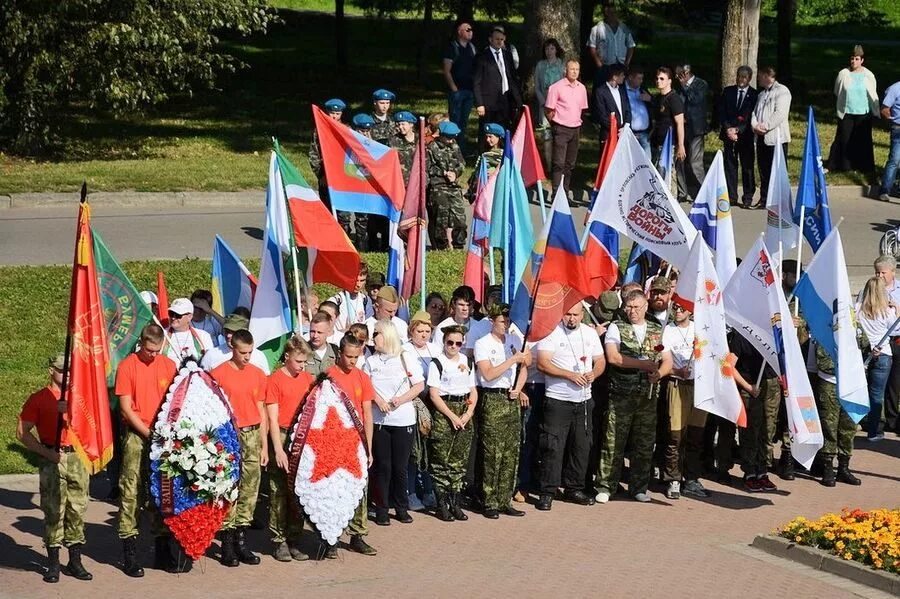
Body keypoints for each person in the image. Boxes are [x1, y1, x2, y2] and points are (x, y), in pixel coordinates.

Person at [17, 353, 93, 583]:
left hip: (77, 457)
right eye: (62, 370)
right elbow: (22, 433)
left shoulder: (80, 398)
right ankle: (53, 563)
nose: (67, 374)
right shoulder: (39, 398)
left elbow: (92, 427)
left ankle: (75, 561)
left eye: (69, 370)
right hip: (52, 457)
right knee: (53, 510)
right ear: (51, 371)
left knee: (77, 509)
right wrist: (46, 453)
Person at [114, 324, 180, 576]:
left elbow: (175, 401)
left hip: (163, 436)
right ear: (141, 343)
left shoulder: (168, 366)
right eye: (149, 350)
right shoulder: (127, 366)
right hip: (137, 434)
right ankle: (129, 552)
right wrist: (148, 433)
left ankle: (162, 549)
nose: (152, 355)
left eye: (157, 350)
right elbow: (126, 408)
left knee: (163, 490)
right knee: (131, 489)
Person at [597, 291, 669, 503]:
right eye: (629, 307)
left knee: (644, 443)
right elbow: (613, 357)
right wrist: (642, 365)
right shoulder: (617, 327)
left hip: (647, 397)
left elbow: (667, 359)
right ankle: (606, 486)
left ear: (645, 307)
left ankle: (639, 487)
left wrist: (659, 373)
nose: (632, 311)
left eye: (637, 307)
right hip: (621, 395)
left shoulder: (657, 329)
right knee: (613, 442)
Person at [535, 308, 606, 510]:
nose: (572, 319)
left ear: (582, 315)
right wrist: (569, 375)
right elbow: (543, 363)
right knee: (553, 447)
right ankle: (547, 491)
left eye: (575, 315)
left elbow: (600, 360)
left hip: (584, 401)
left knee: (581, 446)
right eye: (568, 314)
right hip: (558, 400)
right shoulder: (551, 332)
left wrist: (594, 373)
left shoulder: (590, 333)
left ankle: (574, 488)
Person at [211, 329, 269, 567]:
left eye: (250, 352)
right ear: (232, 348)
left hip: (253, 433)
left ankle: (241, 539)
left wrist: (264, 446)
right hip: (229, 435)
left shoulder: (257, 374)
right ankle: (226, 541)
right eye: (243, 352)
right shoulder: (218, 374)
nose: (247, 357)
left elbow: (261, 409)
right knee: (228, 487)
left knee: (250, 486)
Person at [363, 320, 425, 525]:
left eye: (377, 333)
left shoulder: (405, 357)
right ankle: (381, 508)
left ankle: (401, 507)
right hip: (380, 421)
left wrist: (401, 399)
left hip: (403, 420)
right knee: (383, 466)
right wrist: (378, 401)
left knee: (400, 467)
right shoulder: (371, 361)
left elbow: (418, 385)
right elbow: (365, 387)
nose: (374, 338)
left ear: (387, 335)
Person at [473, 304, 530, 518]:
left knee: (510, 451)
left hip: (510, 398)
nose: (505, 324)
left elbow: (526, 364)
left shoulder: (514, 340)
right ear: (492, 321)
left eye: (508, 320)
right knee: (492, 452)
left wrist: (518, 387)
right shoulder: (483, 343)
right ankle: (488, 500)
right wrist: (512, 360)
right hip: (492, 398)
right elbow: (488, 374)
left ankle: (504, 498)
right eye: (501, 321)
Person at [325, 334, 376, 557]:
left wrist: (369, 447)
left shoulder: (362, 377)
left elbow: (367, 413)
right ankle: (331, 537)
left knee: (359, 489)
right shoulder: (328, 376)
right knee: (334, 490)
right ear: (340, 353)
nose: (352, 361)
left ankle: (358, 535)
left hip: (356, 442)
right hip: (334, 441)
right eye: (348, 356)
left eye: (356, 357)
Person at [264, 336, 314, 562]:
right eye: (298, 361)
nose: (302, 366)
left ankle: (294, 538)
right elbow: (272, 419)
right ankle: (279, 540)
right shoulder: (275, 380)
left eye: (304, 362)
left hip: (301, 435)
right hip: (283, 434)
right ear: (287, 357)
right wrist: (278, 449)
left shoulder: (307, 379)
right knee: (279, 490)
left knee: (298, 490)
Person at [427, 325, 479, 521]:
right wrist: (452, 416)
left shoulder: (467, 361)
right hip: (445, 411)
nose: (454, 346)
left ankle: (455, 502)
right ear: (444, 342)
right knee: (441, 460)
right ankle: (441, 504)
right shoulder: (437, 363)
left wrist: (468, 413)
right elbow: (434, 394)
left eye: (458, 343)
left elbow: (473, 390)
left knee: (459, 461)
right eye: (450, 342)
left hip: (464, 408)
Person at [659, 303, 710, 499]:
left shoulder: (700, 328)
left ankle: (691, 478)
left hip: (699, 387)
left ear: (691, 309)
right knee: (675, 435)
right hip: (677, 385)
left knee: (696, 435)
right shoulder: (667, 331)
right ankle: (673, 478)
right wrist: (676, 371)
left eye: (682, 308)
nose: (678, 311)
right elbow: (663, 360)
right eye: (675, 307)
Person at [401, 311, 440, 511]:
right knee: (414, 452)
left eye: (427, 331)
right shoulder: (405, 350)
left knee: (430, 451)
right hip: (414, 403)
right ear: (411, 331)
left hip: (433, 403)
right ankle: (411, 492)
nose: (424, 334)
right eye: (420, 331)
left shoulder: (435, 349)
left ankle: (429, 490)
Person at [813, 341, 863, 487]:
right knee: (829, 426)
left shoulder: (854, 330)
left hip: (851, 386)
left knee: (848, 427)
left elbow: (865, 344)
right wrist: (847, 364)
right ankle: (827, 467)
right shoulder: (825, 333)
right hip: (830, 384)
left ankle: (843, 468)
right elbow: (823, 363)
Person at [856, 275, 898, 440]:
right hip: (883, 353)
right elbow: (896, 329)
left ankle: (858, 422)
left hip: (863, 352)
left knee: (860, 390)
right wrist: (897, 308)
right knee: (877, 394)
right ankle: (873, 431)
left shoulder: (858, 309)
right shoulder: (887, 312)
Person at [827, 45, 878, 175]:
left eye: (856, 59)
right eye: (852, 59)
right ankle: (843, 165)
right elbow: (837, 90)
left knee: (864, 140)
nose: (853, 61)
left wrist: (874, 111)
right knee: (844, 138)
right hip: (847, 112)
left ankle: (864, 166)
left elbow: (872, 93)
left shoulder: (868, 75)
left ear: (862, 60)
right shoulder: (843, 74)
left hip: (863, 113)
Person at [545, 59, 589, 199]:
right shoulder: (556, 87)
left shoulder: (581, 88)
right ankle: (556, 194)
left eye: (577, 69)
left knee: (570, 164)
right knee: (558, 163)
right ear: (566, 70)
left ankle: (565, 193)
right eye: (572, 69)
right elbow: (549, 109)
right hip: (561, 128)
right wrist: (555, 125)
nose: (574, 72)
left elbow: (582, 109)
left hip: (575, 128)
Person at [752, 66, 792, 209]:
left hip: (776, 138)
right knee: (764, 170)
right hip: (761, 138)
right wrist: (755, 125)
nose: (758, 79)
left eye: (760, 76)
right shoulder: (761, 95)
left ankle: (780, 201)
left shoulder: (782, 91)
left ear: (767, 76)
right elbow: (754, 113)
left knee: (778, 171)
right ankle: (764, 199)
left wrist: (766, 126)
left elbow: (780, 113)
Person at [719, 66, 758, 208]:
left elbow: (751, 115)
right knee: (730, 165)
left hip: (745, 135)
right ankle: (732, 196)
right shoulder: (728, 91)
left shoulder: (754, 95)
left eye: (744, 77)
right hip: (728, 134)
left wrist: (738, 130)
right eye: (739, 76)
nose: (741, 79)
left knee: (747, 166)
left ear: (749, 78)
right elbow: (722, 111)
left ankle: (748, 196)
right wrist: (728, 129)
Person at [870, 255, 900, 437]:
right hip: (878, 343)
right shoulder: (871, 288)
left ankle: (893, 420)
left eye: (883, 273)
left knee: (894, 383)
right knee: (876, 385)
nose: (880, 276)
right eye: (877, 272)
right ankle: (875, 421)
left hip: (896, 340)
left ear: (893, 272)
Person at [426, 121, 468, 250]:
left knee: (460, 219)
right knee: (441, 219)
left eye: (452, 137)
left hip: (453, 187)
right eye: (448, 137)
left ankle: (458, 245)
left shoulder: (454, 145)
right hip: (438, 186)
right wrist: (443, 173)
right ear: (441, 135)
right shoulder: (431, 147)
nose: (450, 140)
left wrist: (455, 173)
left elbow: (462, 163)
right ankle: (441, 247)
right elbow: (427, 168)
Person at [473, 26, 523, 132]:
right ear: (490, 39)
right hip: (488, 103)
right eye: (497, 39)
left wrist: (517, 99)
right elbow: (476, 82)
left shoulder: (507, 55)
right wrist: (479, 104)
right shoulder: (482, 57)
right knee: (487, 131)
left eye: (502, 39)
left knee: (503, 130)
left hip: (505, 101)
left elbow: (512, 78)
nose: (499, 41)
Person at [674, 63, 709, 203]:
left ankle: (704, 191)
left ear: (686, 73)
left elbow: (695, 100)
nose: (677, 77)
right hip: (682, 127)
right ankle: (683, 192)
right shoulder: (679, 86)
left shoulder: (701, 84)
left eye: (679, 75)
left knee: (695, 162)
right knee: (680, 160)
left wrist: (684, 86)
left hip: (696, 129)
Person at [443, 21, 477, 155]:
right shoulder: (452, 48)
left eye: (471, 30)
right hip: (457, 92)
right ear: (459, 32)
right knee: (455, 122)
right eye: (467, 30)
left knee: (464, 122)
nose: (470, 32)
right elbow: (447, 70)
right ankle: (452, 150)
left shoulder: (472, 48)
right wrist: (454, 89)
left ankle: (461, 151)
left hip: (469, 91)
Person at [309, 98, 346, 212]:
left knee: (343, 212)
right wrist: (320, 175)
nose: (334, 116)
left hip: (342, 177)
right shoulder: (319, 130)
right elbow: (314, 154)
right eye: (332, 113)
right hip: (325, 175)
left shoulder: (345, 130)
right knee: (327, 209)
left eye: (337, 114)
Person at [200, 313, 270, 373]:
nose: (228, 335)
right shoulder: (211, 355)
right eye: (227, 331)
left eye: (233, 332)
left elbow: (265, 380)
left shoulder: (258, 356)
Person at [586, 4, 635, 88]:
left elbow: (631, 45)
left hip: (620, 65)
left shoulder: (623, 28)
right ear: (605, 13)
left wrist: (627, 63)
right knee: (601, 89)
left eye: (614, 12)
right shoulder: (597, 29)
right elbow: (592, 47)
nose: (613, 15)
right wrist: (599, 64)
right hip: (605, 65)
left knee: (620, 90)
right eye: (610, 12)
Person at [433, 286, 491, 354]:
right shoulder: (443, 326)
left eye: (468, 305)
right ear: (454, 304)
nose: (465, 308)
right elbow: (436, 353)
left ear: (473, 305)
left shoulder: (478, 326)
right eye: (461, 304)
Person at [533, 38, 566, 152]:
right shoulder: (540, 65)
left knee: (559, 134)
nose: (549, 51)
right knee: (546, 135)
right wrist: (543, 102)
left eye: (552, 48)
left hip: (559, 105)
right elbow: (537, 86)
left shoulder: (562, 65)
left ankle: (558, 158)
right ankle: (548, 161)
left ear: (556, 50)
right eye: (547, 49)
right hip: (544, 103)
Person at [592, 63, 630, 156]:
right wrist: (615, 128)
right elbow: (602, 115)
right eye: (622, 75)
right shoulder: (601, 92)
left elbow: (627, 110)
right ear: (614, 77)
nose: (624, 77)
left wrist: (625, 126)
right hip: (609, 133)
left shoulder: (622, 90)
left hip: (623, 133)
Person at [163, 297, 214, 364]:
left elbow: (210, 362)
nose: (173, 318)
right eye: (171, 313)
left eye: (178, 315)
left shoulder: (203, 336)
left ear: (189, 317)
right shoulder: (162, 334)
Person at [652, 67, 686, 166]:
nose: (658, 81)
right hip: (657, 143)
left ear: (669, 81)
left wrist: (681, 145)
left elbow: (680, 123)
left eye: (662, 79)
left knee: (667, 173)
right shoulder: (658, 98)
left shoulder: (674, 99)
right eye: (657, 78)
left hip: (669, 145)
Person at [466, 123, 505, 201]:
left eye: (490, 137)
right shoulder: (484, 153)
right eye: (486, 136)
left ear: (499, 137)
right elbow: (476, 171)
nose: (487, 139)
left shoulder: (504, 155)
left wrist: (496, 172)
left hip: (497, 190)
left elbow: (507, 171)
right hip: (483, 190)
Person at [328, 262, 369, 334]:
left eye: (362, 280)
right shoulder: (335, 301)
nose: (358, 285)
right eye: (356, 280)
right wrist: (344, 331)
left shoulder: (366, 300)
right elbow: (327, 331)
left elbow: (368, 326)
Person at [879, 78, 900, 202]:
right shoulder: (895, 88)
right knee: (895, 160)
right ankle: (885, 190)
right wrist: (893, 119)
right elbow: (884, 109)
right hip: (898, 128)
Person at [625, 66, 653, 156]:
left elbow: (655, 105)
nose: (641, 81)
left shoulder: (642, 89)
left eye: (642, 78)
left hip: (645, 134)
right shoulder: (622, 91)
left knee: (647, 161)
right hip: (630, 134)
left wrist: (650, 99)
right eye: (639, 78)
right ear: (630, 77)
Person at [306, 312, 339, 376]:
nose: (315, 336)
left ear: (328, 332)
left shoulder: (336, 353)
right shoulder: (302, 351)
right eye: (312, 331)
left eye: (319, 332)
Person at [391, 111, 419, 185]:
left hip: (418, 181)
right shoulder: (393, 141)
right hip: (400, 182)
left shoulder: (420, 140)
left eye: (403, 124)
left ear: (411, 124)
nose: (400, 127)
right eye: (398, 124)